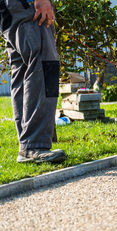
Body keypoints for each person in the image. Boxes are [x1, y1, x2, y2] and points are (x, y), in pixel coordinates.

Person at [0, 0, 65, 163]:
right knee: (45, 65)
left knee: (22, 69)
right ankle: (34, 145)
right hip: (23, 4)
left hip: (11, 7)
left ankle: (29, 145)